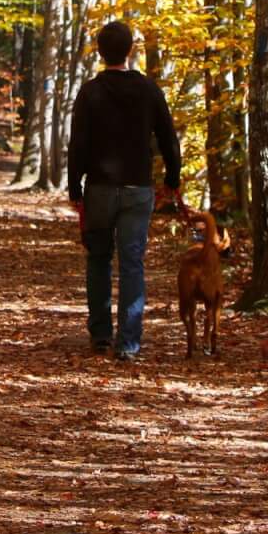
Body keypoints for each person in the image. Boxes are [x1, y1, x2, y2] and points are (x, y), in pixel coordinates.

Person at [66, 20, 181, 361]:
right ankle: (128, 343)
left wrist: (75, 186)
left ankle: (101, 335)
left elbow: (79, 143)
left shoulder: (90, 92)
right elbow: (168, 138)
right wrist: (172, 180)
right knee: (132, 263)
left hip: (99, 188)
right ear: (130, 50)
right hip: (137, 189)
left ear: (100, 52)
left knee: (99, 258)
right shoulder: (149, 90)